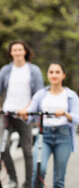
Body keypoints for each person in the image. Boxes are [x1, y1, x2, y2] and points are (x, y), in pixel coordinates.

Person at [19, 62, 79, 188]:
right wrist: (23, 114)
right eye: (51, 72)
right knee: (39, 171)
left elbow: (78, 117)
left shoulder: (70, 95)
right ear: (48, 75)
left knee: (59, 178)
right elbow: (30, 115)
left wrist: (65, 114)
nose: (54, 75)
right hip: (44, 136)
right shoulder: (40, 94)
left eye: (57, 72)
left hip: (63, 136)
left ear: (63, 75)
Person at [0, 40, 44, 188]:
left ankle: (28, 183)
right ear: (11, 53)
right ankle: (13, 179)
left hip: (25, 116)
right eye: (14, 50)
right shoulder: (6, 70)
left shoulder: (33, 70)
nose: (17, 52)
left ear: (25, 51)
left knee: (27, 150)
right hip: (7, 114)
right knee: (2, 147)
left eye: (20, 49)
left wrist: (28, 109)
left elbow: (39, 94)